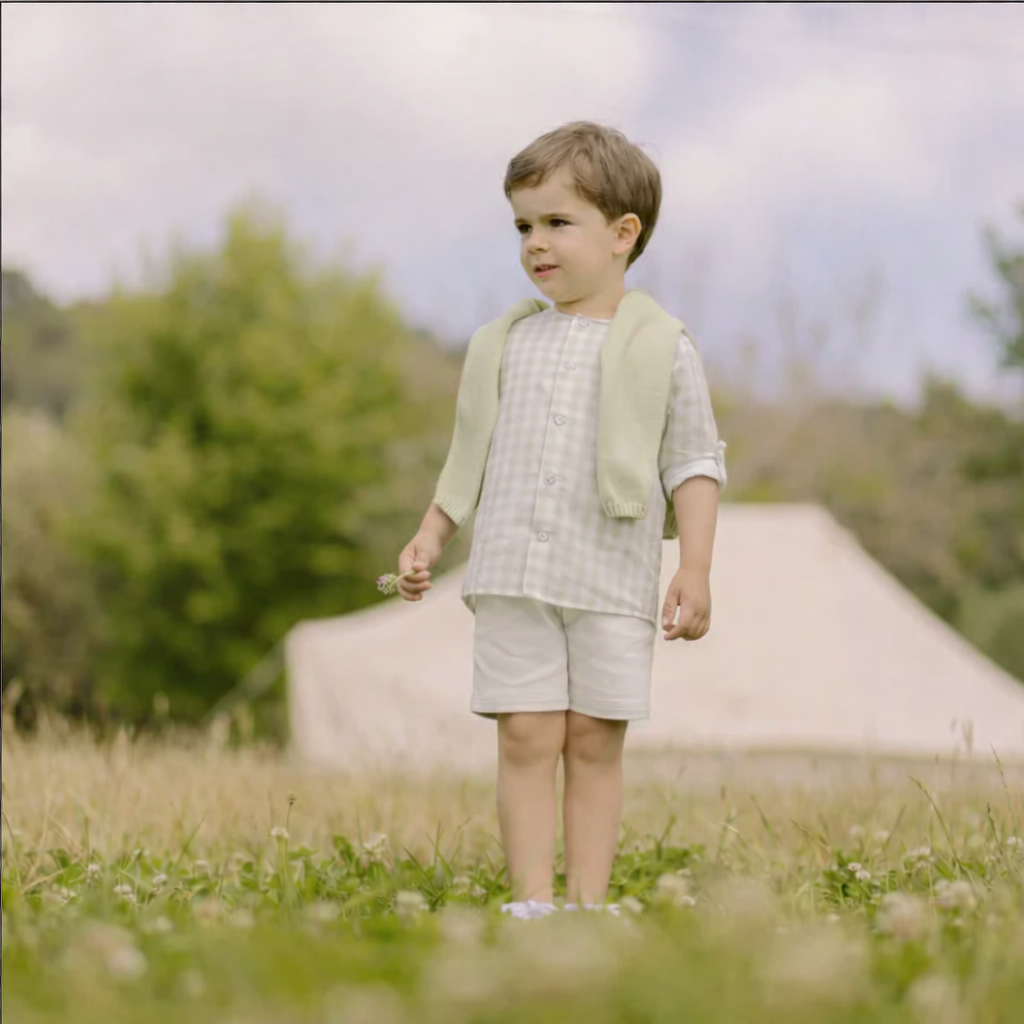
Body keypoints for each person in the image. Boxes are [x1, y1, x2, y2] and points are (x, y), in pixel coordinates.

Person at [395, 122, 727, 920]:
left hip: (609, 575)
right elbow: (468, 453)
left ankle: (586, 904)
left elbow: (692, 461)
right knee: (526, 735)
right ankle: (533, 905)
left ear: (622, 235)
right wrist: (431, 535)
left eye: (556, 223)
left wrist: (695, 568)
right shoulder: (504, 344)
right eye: (522, 226)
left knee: (592, 740)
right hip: (513, 571)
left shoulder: (663, 347)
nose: (535, 243)